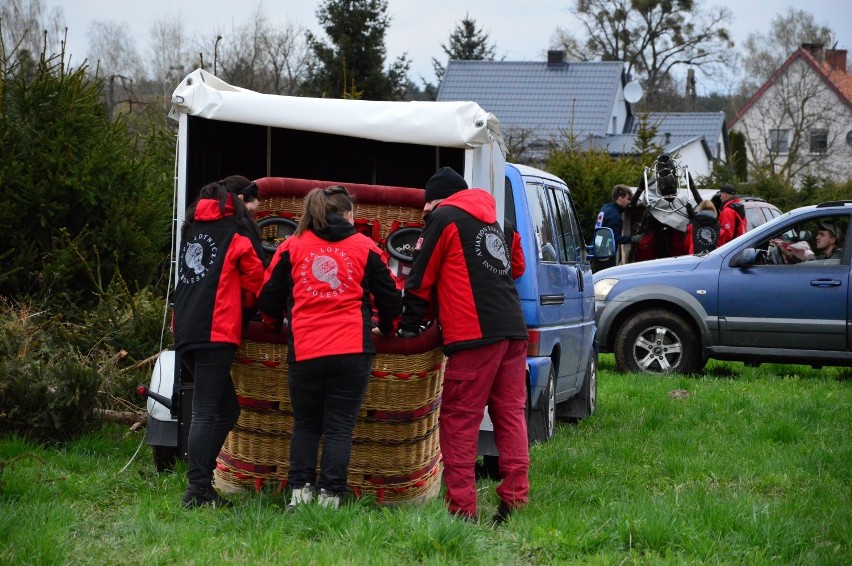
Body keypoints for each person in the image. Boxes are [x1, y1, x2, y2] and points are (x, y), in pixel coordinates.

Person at [256, 186, 402, 511]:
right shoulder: (366, 247)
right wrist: (388, 328)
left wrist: (272, 325)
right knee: (338, 427)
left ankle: (300, 494)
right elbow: (391, 299)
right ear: (349, 214)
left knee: (306, 424)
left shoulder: (292, 246)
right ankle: (331, 498)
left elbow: (268, 297)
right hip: (351, 350)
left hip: (306, 350)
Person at [399, 166, 529, 525]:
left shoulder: (444, 218)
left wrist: (409, 326)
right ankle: (515, 503)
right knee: (510, 416)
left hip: (473, 335)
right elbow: (515, 266)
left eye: (429, 204)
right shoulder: (500, 220)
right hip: (513, 330)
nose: (425, 211)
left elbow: (420, 279)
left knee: (459, 421)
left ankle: (462, 511)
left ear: (441, 199)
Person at [172, 179, 266, 508]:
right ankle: (196, 489)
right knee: (206, 411)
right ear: (237, 201)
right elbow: (258, 281)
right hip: (215, 331)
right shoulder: (236, 234)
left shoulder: (191, 229)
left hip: (184, 328)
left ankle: (202, 483)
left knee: (226, 409)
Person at [595, 184, 639, 268]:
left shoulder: (606, 208)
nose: (629, 202)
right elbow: (614, 238)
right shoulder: (614, 216)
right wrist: (632, 239)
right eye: (627, 199)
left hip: (598, 250)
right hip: (605, 256)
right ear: (620, 198)